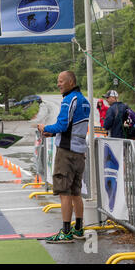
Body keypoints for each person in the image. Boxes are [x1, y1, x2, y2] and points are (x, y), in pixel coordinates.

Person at [37, 71, 90, 243]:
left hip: (66, 153)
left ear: (71, 82)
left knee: (64, 192)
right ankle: (79, 228)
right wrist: (53, 134)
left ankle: (66, 232)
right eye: (57, 81)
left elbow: (62, 124)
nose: (58, 84)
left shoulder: (69, 100)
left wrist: (45, 127)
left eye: (61, 81)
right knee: (76, 192)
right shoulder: (85, 101)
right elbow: (72, 128)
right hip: (79, 152)